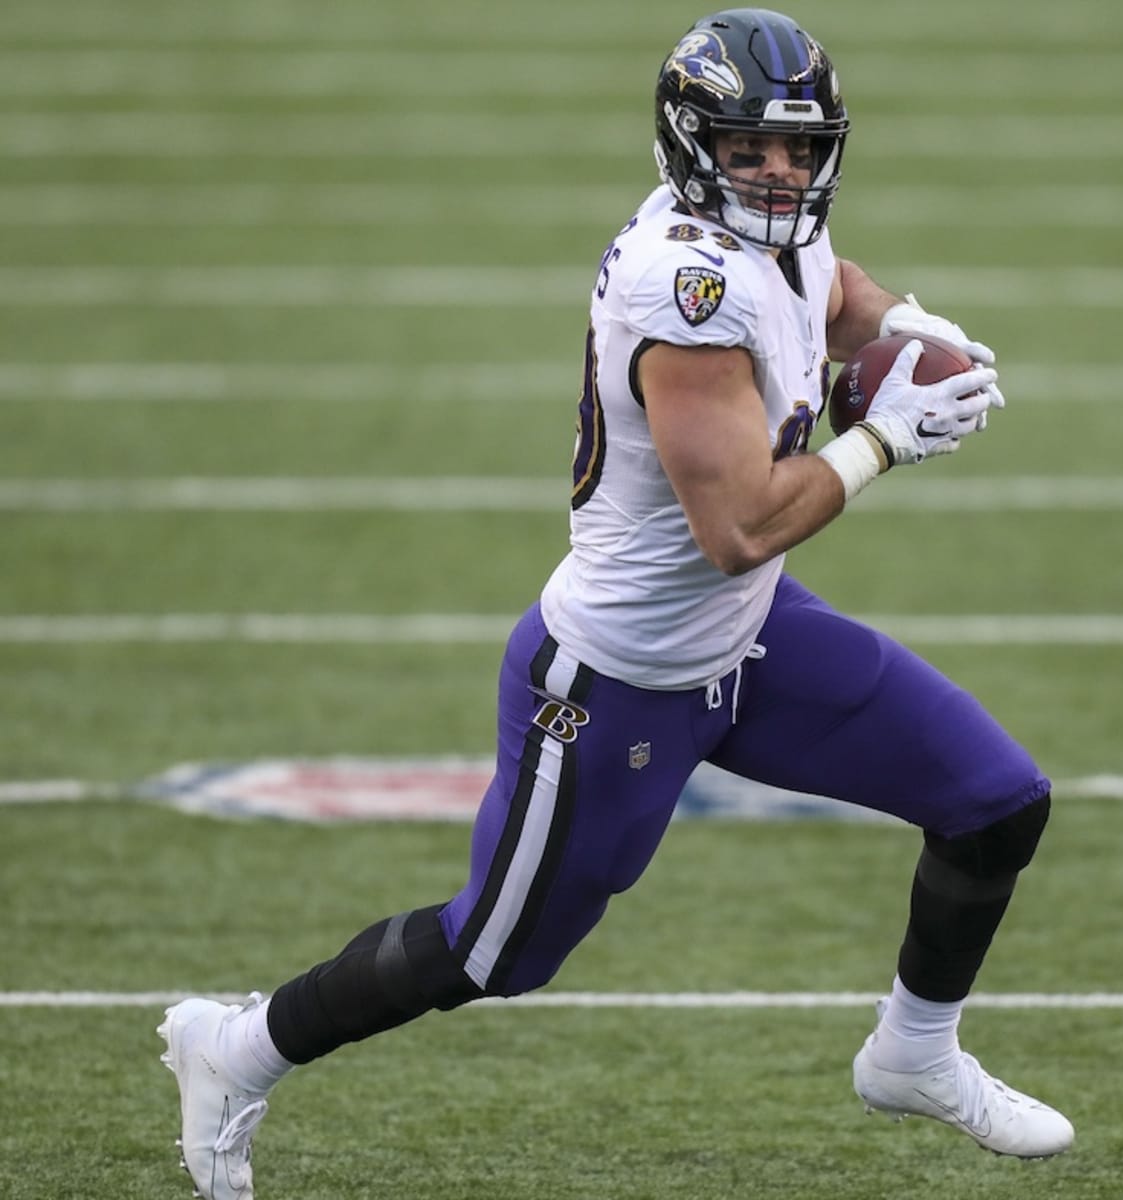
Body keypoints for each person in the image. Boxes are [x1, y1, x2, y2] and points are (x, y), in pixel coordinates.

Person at [157, 10, 1074, 1196]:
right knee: (493, 952)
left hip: (748, 644)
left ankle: (915, 1054)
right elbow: (739, 526)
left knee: (998, 805)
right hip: (618, 676)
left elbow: (828, 281)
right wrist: (885, 439)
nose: (781, 173)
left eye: (800, 149)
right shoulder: (684, 290)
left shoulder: (769, 230)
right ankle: (236, 1047)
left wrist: (898, 324)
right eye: (751, 149)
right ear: (695, 145)